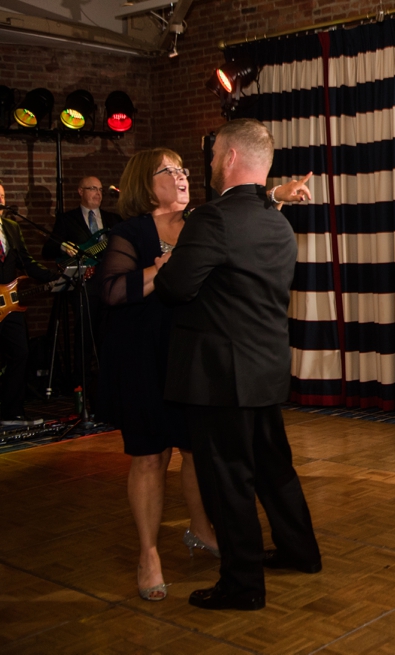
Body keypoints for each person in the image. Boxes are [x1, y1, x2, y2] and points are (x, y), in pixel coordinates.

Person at [154, 118, 320, 611]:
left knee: (227, 479)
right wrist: (276, 194)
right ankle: (300, 551)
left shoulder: (213, 219)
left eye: (210, 158)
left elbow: (175, 288)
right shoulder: (276, 220)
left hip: (220, 376)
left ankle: (242, 583)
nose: (205, 167)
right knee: (274, 469)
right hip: (265, 368)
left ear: (228, 158)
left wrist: (168, 267)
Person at [99, 149, 220, 602]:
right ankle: (148, 553)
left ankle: (202, 528)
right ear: (145, 183)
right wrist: (159, 267)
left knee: (194, 449)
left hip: (190, 354)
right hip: (141, 357)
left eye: (183, 169)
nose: (181, 176)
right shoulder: (130, 231)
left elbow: (238, 209)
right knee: (151, 455)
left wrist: (277, 195)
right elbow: (110, 291)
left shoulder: (202, 224)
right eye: (168, 171)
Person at [43, 177, 123, 400]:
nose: (97, 193)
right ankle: (83, 388)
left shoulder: (113, 219)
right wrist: (63, 246)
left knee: (109, 336)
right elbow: (48, 250)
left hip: (110, 284)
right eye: (92, 189)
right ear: (80, 191)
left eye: (100, 189)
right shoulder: (67, 219)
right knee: (85, 337)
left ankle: (108, 386)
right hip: (85, 287)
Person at [0, 181, 59, 425]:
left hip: (10, 304)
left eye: (2, 195)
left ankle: (11, 412)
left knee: (20, 353)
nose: (0, 199)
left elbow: (28, 263)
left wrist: (56, 276)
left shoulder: (11, 227)